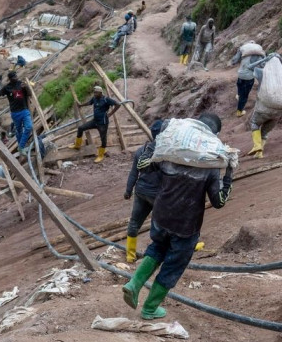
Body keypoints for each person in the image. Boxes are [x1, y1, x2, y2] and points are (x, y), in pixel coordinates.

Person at [122, 113, 232, 319]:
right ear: (213, 135)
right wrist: (229, 174)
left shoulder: (171, 153)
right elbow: (219, 202)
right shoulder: (209, 165)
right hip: (186, 225)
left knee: (157, 248)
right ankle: (150, 308)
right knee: (173, 264)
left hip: (161, 215)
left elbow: (143, 167)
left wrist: (151, 149)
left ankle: (133, 283)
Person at [124, 119, 165, 263]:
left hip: (140, 191)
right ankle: (160, 252)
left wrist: (128, 190)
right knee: (164, 223)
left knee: (134, 223)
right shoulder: (165, 152)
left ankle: (130, 255)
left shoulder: (141, 150)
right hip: (156, 194)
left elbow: (133, 173)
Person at [247, 53, 282, 159]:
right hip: (278, 110)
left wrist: (264, 59)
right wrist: (280, 58)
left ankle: (257, 146)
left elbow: (249, 67)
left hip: (263, 108)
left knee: (254, 123)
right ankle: (259, 153)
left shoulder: (262, 73)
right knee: (264, 132)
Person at [0, 71, 35, 152]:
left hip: (24, 110)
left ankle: (21, 147)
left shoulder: (21, 84)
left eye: (16, 76)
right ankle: (21, 147)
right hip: (15, 113)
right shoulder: (7, 88)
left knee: (28, 127)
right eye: (14, 77)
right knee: (19, 131)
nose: (16, 78)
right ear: (10, 79)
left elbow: (30, 94)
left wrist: (26, 87)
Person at [73, 86, 119, 163]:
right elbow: (89, 103)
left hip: (103, 123)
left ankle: (101, 155)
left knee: (103, 139)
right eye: (94, 92)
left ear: (100, 93)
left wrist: (110, 113)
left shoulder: (106, 99)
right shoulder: (94, 98)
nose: (94, 94)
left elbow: (118, 104)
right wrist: (81, 105)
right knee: (81, 128)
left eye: (96, 92)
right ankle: (77, 145)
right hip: (95, 121)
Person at [230, 40, 267, 115]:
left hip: (240, 74)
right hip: (249, 77)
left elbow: (234, 61)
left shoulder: (243, 49)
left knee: (240, 85)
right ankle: (239, 112)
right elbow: (263, 64)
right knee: (245, 95)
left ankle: (239, 95)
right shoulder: (258, 52)